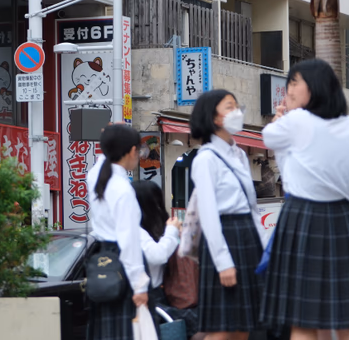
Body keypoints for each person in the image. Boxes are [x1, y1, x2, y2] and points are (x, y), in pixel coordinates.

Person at [260, 58, 349, 340]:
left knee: (303, 321)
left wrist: (282, 118)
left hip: (302, 217)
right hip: (345, 219)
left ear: (315, 87)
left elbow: (268, 136)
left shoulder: (298, 120)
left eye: (294, 83)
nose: (288, 90)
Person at [189, 89, 265, 340]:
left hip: (247, 237)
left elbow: (252, 207)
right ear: (215, 118)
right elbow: (209, 214)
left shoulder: (240, 154)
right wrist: (223, 262)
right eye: (229, 107)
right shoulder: (205, 158)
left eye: (236, 106)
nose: (237, 112)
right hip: (224, 237)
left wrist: (263, 248)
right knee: (221, 331)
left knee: (243, 327)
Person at [86, 124, 150, 340]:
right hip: (124, 264)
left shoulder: (96, 178)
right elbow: (129, 242)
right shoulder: (123, 189)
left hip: (103, 258)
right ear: (132, 151)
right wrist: (139, 285)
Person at [132, 181, 201, 338]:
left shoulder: (149, 228)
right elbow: (158, 255)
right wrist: (172, 231)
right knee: (197, 326)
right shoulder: (135, 230)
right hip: (147, 298)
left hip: (160, 296)